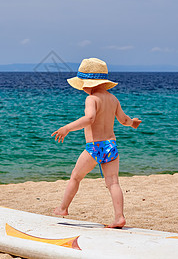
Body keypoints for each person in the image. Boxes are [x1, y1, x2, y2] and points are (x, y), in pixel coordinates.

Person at [51, 58, 141, 228]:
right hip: (111, 145)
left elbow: (89, 118)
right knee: (113, 182)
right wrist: (133, 122)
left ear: (88, 84)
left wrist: (67, 128)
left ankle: (63, 208)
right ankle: (119, 217)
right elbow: (123, 120)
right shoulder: (113, 99)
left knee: (76, 177)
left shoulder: (91, 99)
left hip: (95, 147)